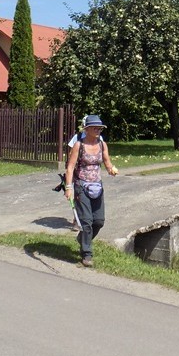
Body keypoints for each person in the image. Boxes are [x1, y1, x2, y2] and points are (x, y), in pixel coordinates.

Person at [64, 114, 118, 267]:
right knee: (86, 221)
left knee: (99, 221)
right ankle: (87, 254)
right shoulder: (79, 145)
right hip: (81, 186)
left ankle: (82, 239)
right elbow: (70, 167)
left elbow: (107, 162)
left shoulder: (102, 145)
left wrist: (111, 169)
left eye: (100, 128)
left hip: (97, 186)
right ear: (86, 129)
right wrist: (68, 187)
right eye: (95, 128)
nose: (98, 130)